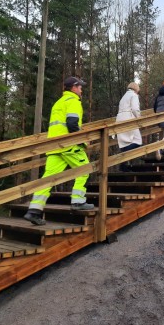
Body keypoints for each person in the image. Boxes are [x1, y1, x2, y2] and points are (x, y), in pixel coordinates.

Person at [24, 77, 94, 226]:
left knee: (48, 178)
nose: (81, 90)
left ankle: (34, 210)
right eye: (80, 87)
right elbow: (72, 124)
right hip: (69, 145)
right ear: (74, 88)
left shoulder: (58, 103)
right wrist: (83, 140)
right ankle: (78, 202)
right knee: (85, 170)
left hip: (54, 146)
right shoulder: (73, 101)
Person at [116, 82, 142, 171]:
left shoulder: (124, 97)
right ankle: (122, 164)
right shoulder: (134, 95)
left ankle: (123, 167)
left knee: (124, 143)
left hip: (119, 120)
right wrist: (139, 118)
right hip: (129, 119)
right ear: (136, 89)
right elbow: (135, 108)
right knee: (138, 141)